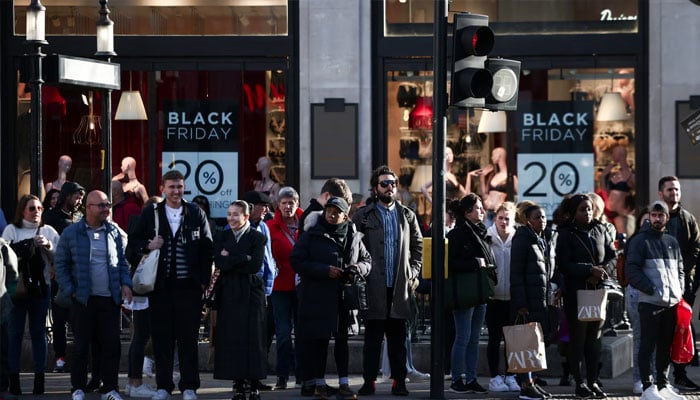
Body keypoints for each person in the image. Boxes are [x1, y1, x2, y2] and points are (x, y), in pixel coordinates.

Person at [125, 170, 214, 400]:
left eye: (180, 187)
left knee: (188, 339)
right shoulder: (151, 212)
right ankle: (164, 386)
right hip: (160, 288)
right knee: (162, 339)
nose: (176, 191)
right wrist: (148, 245)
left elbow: (207, 247)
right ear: (163, 188)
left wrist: (204, 281)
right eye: (172, 187)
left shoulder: (195, 212)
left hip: (189, 287)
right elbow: (131, 246)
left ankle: (189, 387)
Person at [54, 190, 133, 400]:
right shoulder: (72, 233)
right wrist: (70, 290)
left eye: (108, 205)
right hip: (82, 299)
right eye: (102, 205)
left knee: (111, 346)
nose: (107, 209)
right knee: (81, 347)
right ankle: (77, 388)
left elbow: (122, 263)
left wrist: (126, 283)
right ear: (88, 208)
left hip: (109, 300)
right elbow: (60, 264)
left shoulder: (114, 232)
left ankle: (110, 389)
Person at [291, 197, 371, 400]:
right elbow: (297, 261)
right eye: (329, 211)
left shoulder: (353, 234)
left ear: (345, 215)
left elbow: (367, 260)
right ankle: (319, 384)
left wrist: (356, 269)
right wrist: (324, 270)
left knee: (342, 341)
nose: (332, 215)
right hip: (319, 296)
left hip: (345, 296)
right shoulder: (313, 233)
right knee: (320, 341)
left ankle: (344, 383)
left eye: (337, 212)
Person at [352, 165, 422, 397]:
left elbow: (418, 247)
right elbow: (354, 248)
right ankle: (368, 381)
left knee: (398, 341)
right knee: (372, 340)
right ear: (375, 188)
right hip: (374, 286)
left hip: (400, 285)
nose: (390, 187)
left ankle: (399, 381)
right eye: (384, 183)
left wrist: (412, 272)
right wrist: (362, 273)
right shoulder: (363, 215)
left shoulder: (407, 215)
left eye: (392, 183)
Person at [555, 193, 616, 399]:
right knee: (577, 340)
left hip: (597, 291)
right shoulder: (565, 233)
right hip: (576, 292)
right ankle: (579, 383)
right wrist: (589, 270)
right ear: (573, 212)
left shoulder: (600, 228)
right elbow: (564, 264)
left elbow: (612, 255)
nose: (588, 212)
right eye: (582, 209)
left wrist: (601, 271)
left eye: (589, 208)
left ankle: (593, 381)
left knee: (595, 340)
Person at [626, 201, 687, 400]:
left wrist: (679, 290)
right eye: (654, 215)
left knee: (664, 346)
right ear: (649, 216)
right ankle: (647, 387)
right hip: (650, 302)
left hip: (670, 302)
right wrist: (651, 289)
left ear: (667, 218)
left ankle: (662, 384)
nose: (657, 218)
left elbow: (680, 271)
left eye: (661, 215)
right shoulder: (640, 240)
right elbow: (631, 270)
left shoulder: (672, 241)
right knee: (647, 345)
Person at [2, 194, 60, 396]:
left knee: (38, 334)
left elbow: (59, 258)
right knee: (14, 334)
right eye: (31, 208)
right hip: (16, 291)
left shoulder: (48, 231)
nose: (36, 212)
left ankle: (39, 379)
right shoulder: (12, 230)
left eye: (39, 208)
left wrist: (47, 246)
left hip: (40, 289)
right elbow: (4, 255)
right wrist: (27, 245)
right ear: (22, 211)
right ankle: (14, 379)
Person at [212, 200, 268, 400]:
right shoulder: (221, 236)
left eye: (236, 214)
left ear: (246, 216)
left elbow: (255, 266)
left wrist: (232, 256)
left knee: (254, 338)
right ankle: (237, 385)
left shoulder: (258, 237)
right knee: (232, 338)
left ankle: (253, 385)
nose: (231, 218)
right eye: (229, 214)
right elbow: (220, 262)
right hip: (229, 292)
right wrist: (243, 257)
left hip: (251, 291)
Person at [445, 194, 494, 394]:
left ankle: (471, 378)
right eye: (478, 208)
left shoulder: (481, 231)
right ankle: (457, 379)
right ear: (467, 213)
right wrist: (474, 263)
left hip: (479, 291)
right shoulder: (457, 234)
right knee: (463, 336)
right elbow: (449, 264)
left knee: (474, 338)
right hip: (464, 292)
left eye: (482, 208)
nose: (482, 211)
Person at [510, 203, 559, 400]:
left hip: (542, 298)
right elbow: (517, 273)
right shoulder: (522, 239)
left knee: (537, 343)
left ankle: (532, 382)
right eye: (537, 217)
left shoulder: (543, 239)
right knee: (526, 343)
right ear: (527, 220)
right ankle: (525, 384)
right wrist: (521, 303)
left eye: (543, 217)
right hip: (528, 300)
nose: (542, 220)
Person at [657, 176, 700, 391]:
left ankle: (680, 374)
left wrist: (684, 272)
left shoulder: (688, 219)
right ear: (661, 193)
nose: (674, 193)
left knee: (682, 328)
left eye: (677, 189)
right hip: (659, 285)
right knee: (663, 331)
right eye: (670, 190)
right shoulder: (654, 218)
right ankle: (660, 378)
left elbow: (696, 248)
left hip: (683, 284)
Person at [42, 181, 86, 376]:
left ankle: (80, 359)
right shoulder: (51, 216)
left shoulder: (80, 217)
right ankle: (60, 358)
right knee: (59, 320)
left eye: (81, 198)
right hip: (58, 273)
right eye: (77, 197)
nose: (79, 201)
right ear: (67, 196)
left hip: (78, 274)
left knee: (79, 320)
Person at [123, 197, 163, 399]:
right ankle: (135, 382)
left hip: (147, 286)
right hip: (144, 286)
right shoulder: (141, 226)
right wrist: (150, 245)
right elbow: (131, 252)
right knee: (141, 336)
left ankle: (133, 382)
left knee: (140, 336)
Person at [265, 186, 303, 391]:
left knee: (303, 332)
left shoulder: (307, 223)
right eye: (284, 202)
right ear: (278, 205)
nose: (288, 206)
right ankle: (282, 376)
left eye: (291, 202)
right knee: (283, 334)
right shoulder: (270, 226)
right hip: (280, 286)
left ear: (297, 204)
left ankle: (302, 375)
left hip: (302, 285)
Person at [240, 190, 278, 392]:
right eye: (262, 206)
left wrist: (273, 273)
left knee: (264, 334)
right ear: (251, 207)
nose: (266, 209)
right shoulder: (243, 228)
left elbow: (268, 255)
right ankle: (246, 376)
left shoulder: (263, 226)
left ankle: (257, 375)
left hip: (266, 287)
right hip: (249, 287)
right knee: (249, 335)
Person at [483, 202, 520, 394]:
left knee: (512, 339)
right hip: (493, 296)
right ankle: (495, 377)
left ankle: (511, 375)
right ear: (495, 218)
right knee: (494, 338)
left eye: (507, 218)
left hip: (512, 297)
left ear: (513, 220)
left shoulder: (518, 238)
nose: (504, 222)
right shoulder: (487, 237)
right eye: (500, 218)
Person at [624, 207, 650, 395]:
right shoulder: (634, 242)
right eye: (646, 220)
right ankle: (639, 379)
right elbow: (631, 271)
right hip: (637, 294)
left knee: (656, 341)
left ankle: (657, 380)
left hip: (658, 297)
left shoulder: (664, 241)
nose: (650, 223)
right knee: (640, 338)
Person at [466, 147, 518, 222]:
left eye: (493, 155)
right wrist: (482, 177)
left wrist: (510, 207)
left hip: (500, 214)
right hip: (488, 212)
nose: (491, 157)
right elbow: (484, 195)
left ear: (499, 156)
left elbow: (519, 196)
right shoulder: (493, 175)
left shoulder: (511, 177)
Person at [0, 238, 18, 399]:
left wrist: (6, 299)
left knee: (1, 351)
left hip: (0, 309)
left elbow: (13, 274)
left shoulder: (2, 246)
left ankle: (2, 388)